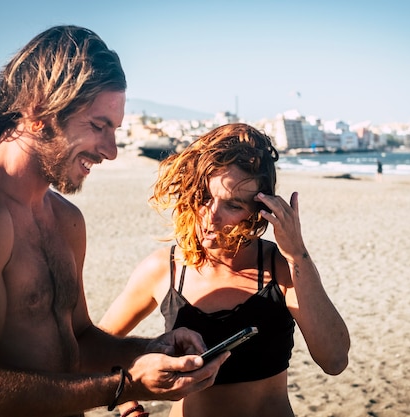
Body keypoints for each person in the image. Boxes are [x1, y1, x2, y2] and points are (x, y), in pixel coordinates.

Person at [0, 25, 227, 417]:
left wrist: (151, 350)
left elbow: (79, 340)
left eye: (114, 130)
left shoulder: (66, 219)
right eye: (98, 126)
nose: (111, 151)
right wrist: (127, 385)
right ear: (38, 112)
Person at [100, 123, 350, 417]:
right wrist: (128, 404)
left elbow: (334, 360)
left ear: (259, 210)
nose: (211, 217)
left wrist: (297, 254)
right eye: (204, 197)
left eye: (232, 205)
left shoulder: (281, 267)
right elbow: (98, 345)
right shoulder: (163, 269)